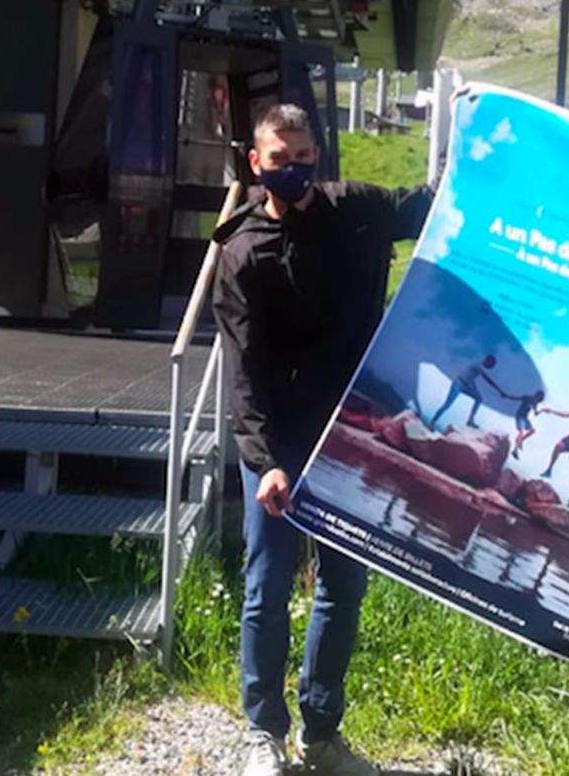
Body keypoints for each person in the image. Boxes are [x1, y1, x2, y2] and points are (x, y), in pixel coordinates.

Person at [213, 103, 432, 776]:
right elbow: (243, 373)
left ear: (319, 154)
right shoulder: (241, 251)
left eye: (303, 155)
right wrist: (265, 463)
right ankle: (262, 733)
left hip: (351, 436)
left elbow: (432, 207)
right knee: (267, 583)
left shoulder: (359, 212)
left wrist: (492, 145)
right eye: (278, 159)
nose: (293, 168)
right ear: (256, 163)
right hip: (276, 442)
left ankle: (322, 732)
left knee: (342, 584)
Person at [428, 354, 505, 431]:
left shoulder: (479, 365)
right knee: (447, 404)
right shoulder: (478, 365)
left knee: (479, 398)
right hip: (458, 384)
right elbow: (488, 380)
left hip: (466, 385)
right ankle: (432, 422)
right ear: (487, 362)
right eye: (490, 366)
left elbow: (471, 377)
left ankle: (470, 420)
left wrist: (474, 389)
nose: (489, 368)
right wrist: (500, 390)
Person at [498, 387, 547, 459]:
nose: (539, 399)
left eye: (540, 398)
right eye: (540, 397)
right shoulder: (528, 397)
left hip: (525, 418)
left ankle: (520, 441)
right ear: (537, 395)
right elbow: (516, 398)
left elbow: (535, 413)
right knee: (521, 432)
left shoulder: (535, 403)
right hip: (520, 416)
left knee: (532, 431)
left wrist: (542, 410)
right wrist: (506, 396)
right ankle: (516, 449)